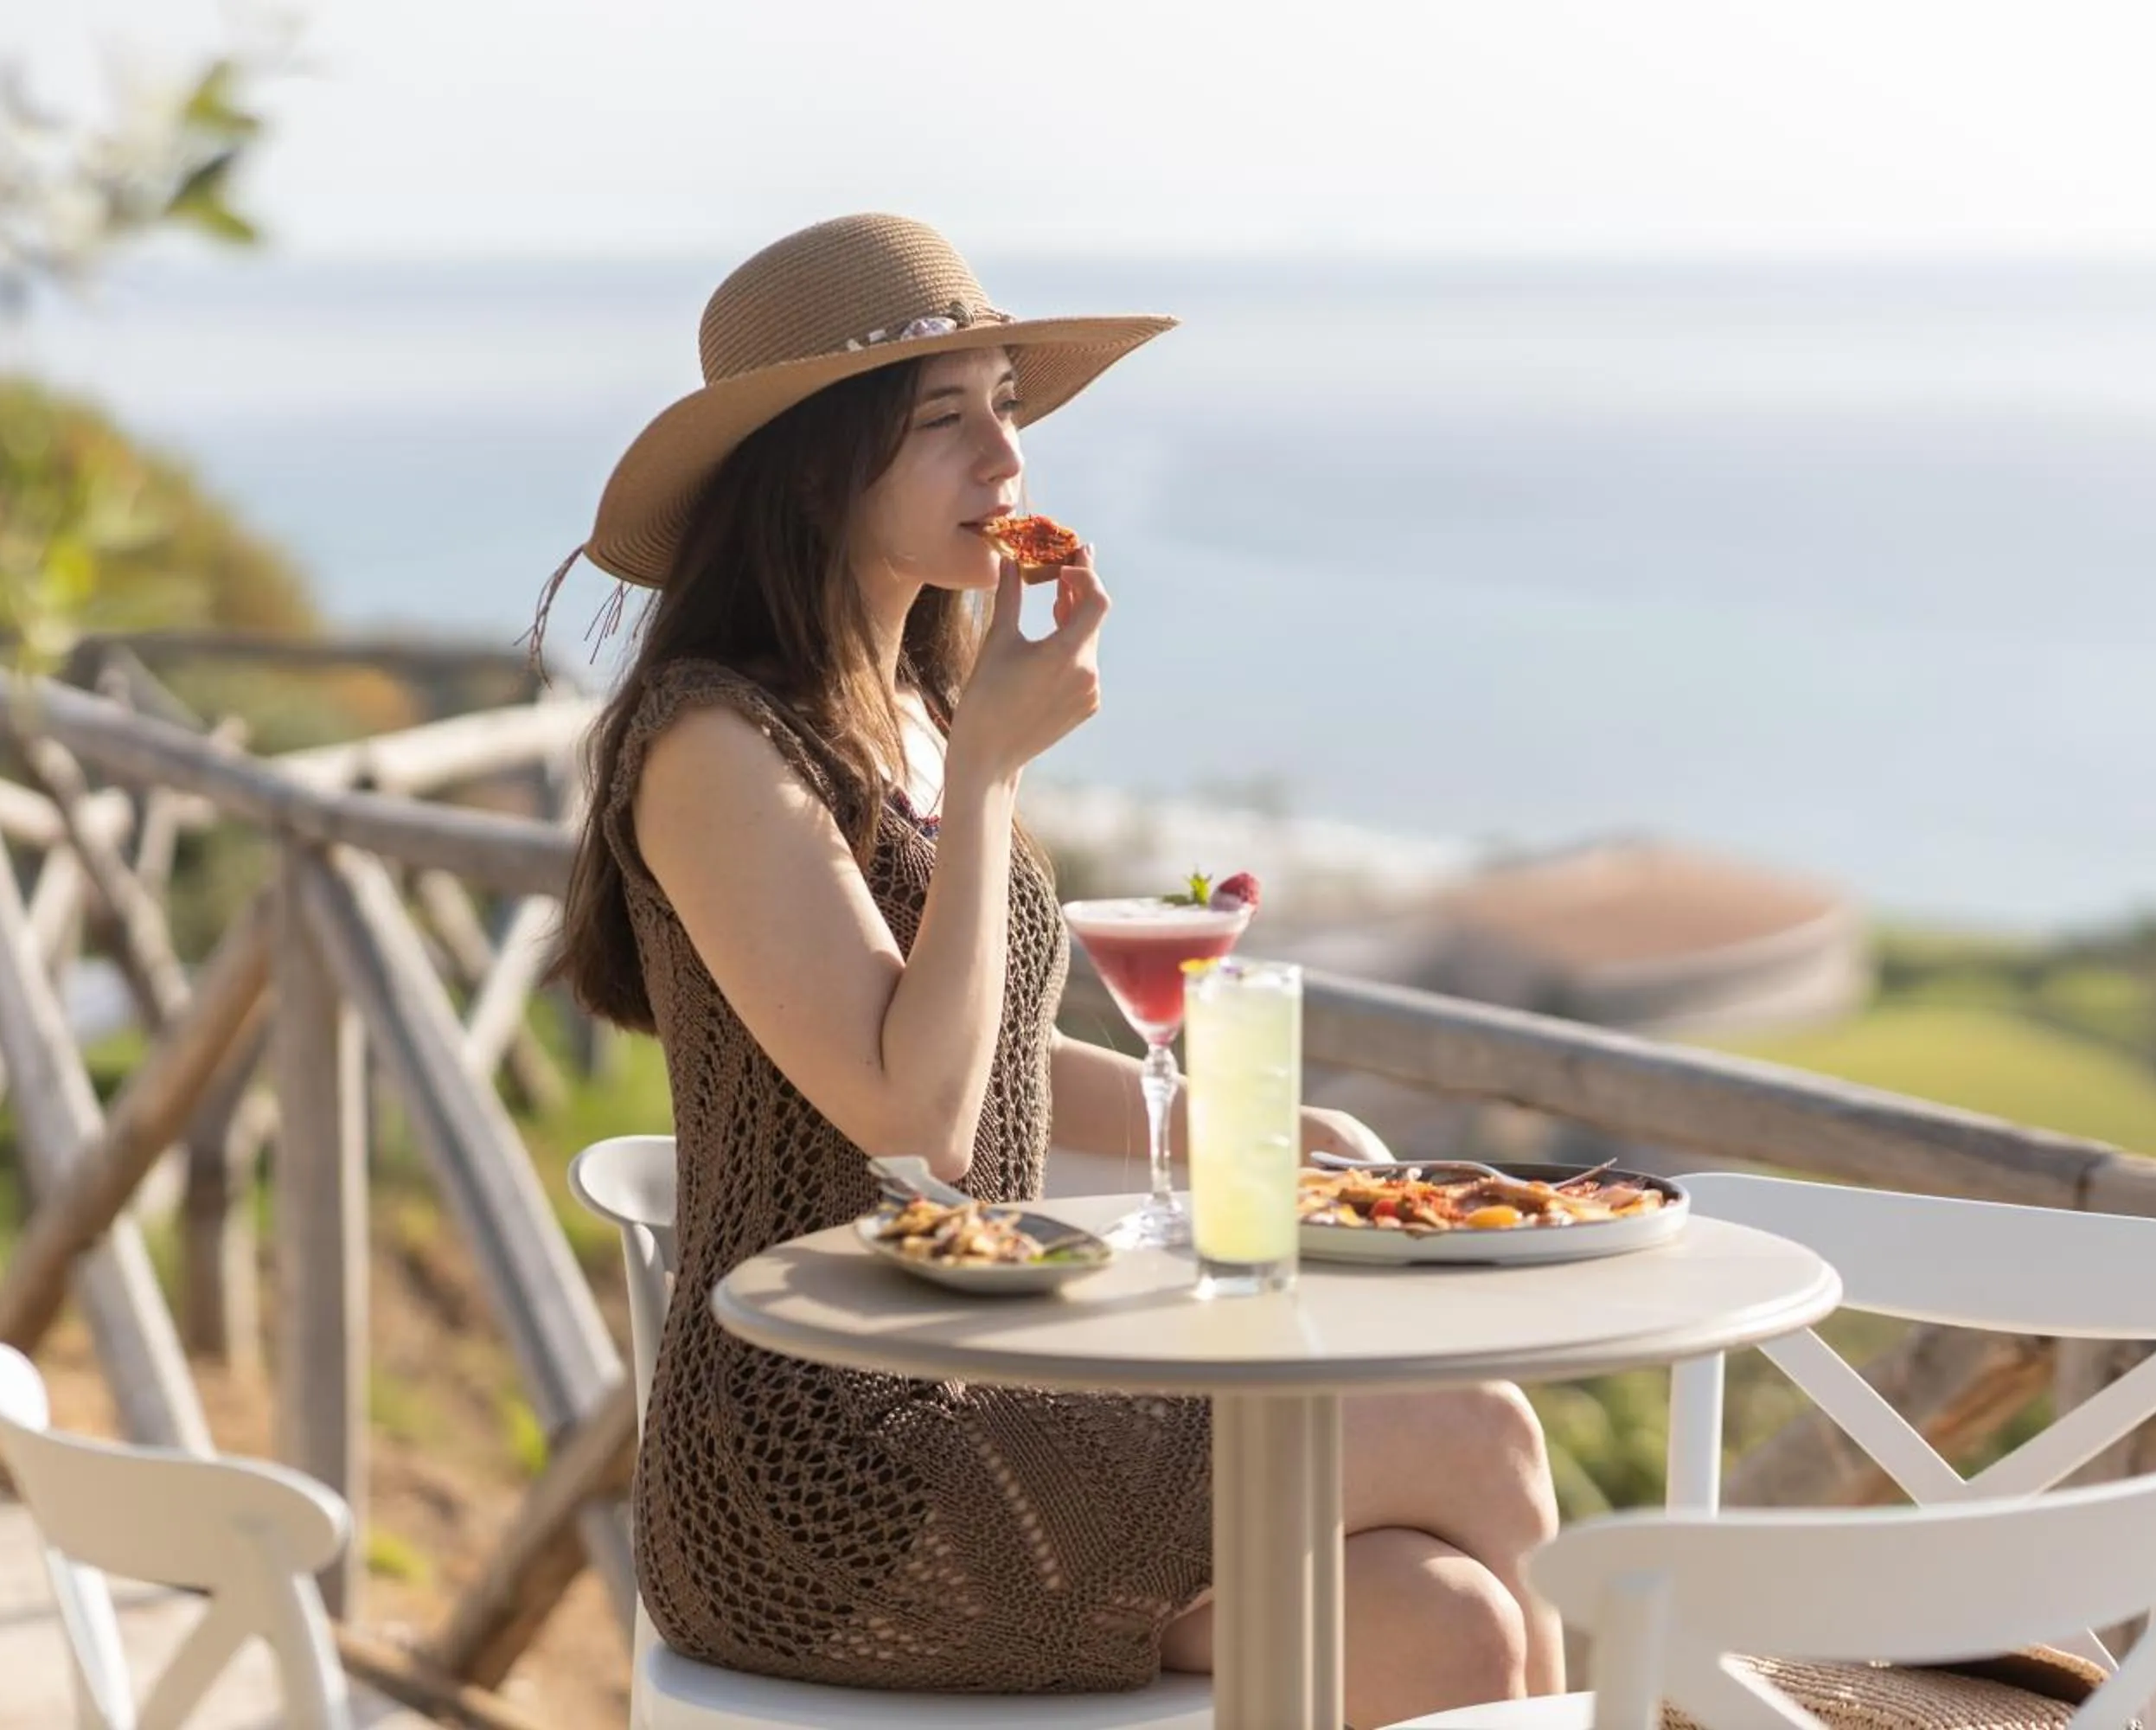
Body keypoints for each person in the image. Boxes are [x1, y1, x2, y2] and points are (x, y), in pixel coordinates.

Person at [539, 213, 1562, 1727]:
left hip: (988, 1388)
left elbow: (998, 1052)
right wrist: (993, 776)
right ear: (813, 468)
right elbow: (922, 1122)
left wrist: (1259, 1133)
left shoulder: (910, 707)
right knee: (1477, 1433)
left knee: (1452, 1628)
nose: (1007, 458)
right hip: (824, 1473)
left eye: (1008, 405)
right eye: (943, 421)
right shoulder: (716, 745)